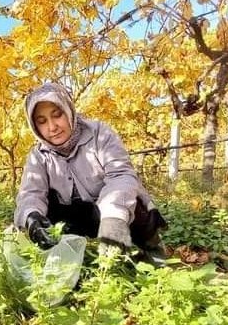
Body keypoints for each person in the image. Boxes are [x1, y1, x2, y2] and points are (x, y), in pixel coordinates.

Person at [13, 82, 167, 263]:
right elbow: (30, 193)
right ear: (35, 127)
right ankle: (78, 259)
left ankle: (150, 249)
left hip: (109, 210)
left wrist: (113, 217)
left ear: (69, 111)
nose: (52, 127)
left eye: (57, 115)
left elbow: (121, 176)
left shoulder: (100, 134)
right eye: (42, 121)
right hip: (79, 216)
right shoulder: (38, 156)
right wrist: (32, 217)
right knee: (43, 212)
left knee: (133, 202)